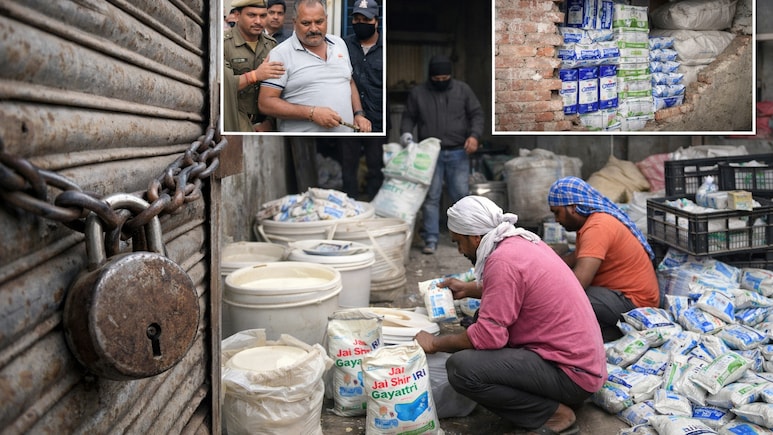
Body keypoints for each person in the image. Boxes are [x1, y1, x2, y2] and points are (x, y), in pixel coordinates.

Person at [413, 195, 606, 435]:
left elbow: (487, 338)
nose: (460, 250)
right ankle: (549, 398)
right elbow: (514, 287)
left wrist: (435, 343)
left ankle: (554, 415)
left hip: (572, 375)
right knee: (480, 319)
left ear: (475, 237)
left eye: (459, 242)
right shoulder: (519, 242)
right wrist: (468, 289)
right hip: (582, 367)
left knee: (461, 368)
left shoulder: (502, 260)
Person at [547, 176, 660, 342]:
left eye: (557, 212)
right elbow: (574, 258)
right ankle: (609, 333)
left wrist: (544, 294)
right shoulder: (591, 224)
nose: (557, 220)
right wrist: (545, 262)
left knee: (565, 298)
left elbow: (579, 282)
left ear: (572, 207)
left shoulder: (598, 227)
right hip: (619, 296)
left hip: (636, 303)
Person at [400, 55, 484, 254]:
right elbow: (408, 117)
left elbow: (477, 114)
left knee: (461, 196)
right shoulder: (418, 93)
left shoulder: (463, 90)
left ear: (450, 75)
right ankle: (431, 239)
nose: (441, 82)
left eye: (444, 78)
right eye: (436, 79)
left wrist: (474, 136)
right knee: (432, 197)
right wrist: (406, 135)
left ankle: (467, 238)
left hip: (458, 151)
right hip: (429, 155)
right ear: (430, 77)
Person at [258, 0, 372, 133]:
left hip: (344, 140)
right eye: (306, 23)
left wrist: (358, 114)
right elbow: (265, 103)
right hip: (303, 142)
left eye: (319, 22)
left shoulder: (339, 44)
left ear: (326, 19)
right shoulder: (281, 54)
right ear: (294, 22)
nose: (313, 29)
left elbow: (349, 81)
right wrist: (311, 113)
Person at [339, 0, 384, 200]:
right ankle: (350, 206)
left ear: (376, 21)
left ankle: (374, 207)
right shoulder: (343, 46)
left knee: (376, 166)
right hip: (348, 118)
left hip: (378, 119)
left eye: (366, 19)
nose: (361, 23)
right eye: (357, 19)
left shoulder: (384, 47)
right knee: (348, 167)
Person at [223, 0, 286, 132]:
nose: (258, 21)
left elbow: (281, 88)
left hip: (265, 124)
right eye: (251, 15)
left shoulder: (271, 45)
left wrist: (269, 123)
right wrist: (255, 75)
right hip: (234, 122)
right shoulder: (224, 44)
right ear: (237, 16)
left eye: (263, 16)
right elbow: (223, 86)